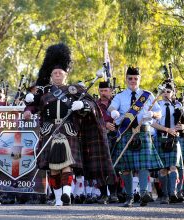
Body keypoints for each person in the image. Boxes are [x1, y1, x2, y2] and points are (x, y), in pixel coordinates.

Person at [24, 43, 115, 206]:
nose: (58, 75)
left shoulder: (76, 90)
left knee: (67, 165)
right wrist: (28, 108)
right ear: (51, 76)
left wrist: (83, 106)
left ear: (65, 75)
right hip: (49, 130)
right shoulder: (44, 92)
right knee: (53, 167)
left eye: (60, 73)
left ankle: (66, 194)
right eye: (55, 73)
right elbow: (33, 106)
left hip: (68, 130)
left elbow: (93, 105)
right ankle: (58, 199)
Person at [108, 66, 164, 207]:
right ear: (126, 79)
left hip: (143, 132)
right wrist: (114, 112)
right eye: (130, 78)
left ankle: (144, 193)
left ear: (139, 79)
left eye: (135, 78)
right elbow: (111, 108)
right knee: (126, 167)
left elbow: (159, 113)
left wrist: (152, 114)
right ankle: (129, 197)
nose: (133, 81)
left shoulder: (148, 95)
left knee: (143, 166)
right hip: (126, 132)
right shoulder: (120, 96)